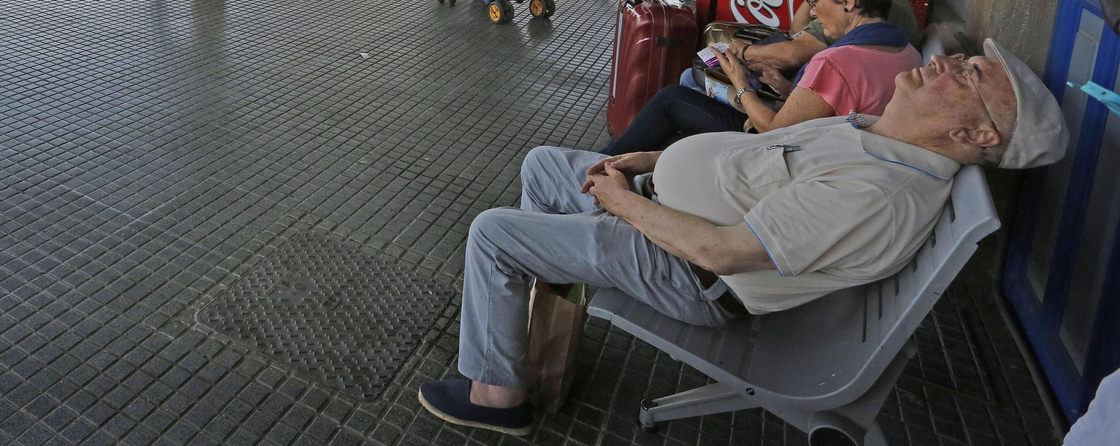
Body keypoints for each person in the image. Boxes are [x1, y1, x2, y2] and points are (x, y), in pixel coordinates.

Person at [417, 40, 1068, 435]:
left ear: (977, 135)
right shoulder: (876, 135)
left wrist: (621, 202)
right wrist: (649, 163)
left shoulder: (882, 192)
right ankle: (532, 327)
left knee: (494, 234)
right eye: (967, 60)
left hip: (686, 271)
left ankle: (498, 395)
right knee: (542, 165)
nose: (948, 61)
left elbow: (720, 252)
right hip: (665, 217)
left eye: (970, 75)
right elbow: (755, 159)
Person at [602, 0, 920, 154]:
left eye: (815, 1)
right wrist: (786, 89)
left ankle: (598, 165)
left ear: (847, 1)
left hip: (782, 153)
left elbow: (774, 132)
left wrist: (741, 84)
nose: (812, 12)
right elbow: (833, 106)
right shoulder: (907, 52)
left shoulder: (836, 63)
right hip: (827, 147)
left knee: (672, 98)